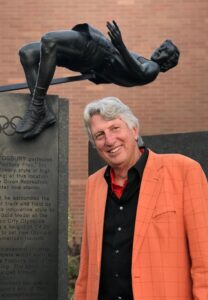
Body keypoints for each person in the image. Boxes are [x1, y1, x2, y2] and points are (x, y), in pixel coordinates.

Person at [74, 97, 208, 300]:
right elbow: (86, 269)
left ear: (134, 130)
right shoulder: (94, 184)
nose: (110, 140)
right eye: (100, 135)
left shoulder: (184, 172)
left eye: (115, 128)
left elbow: (205, 261)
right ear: (95, 144)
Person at [16, 21, 180, 138]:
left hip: (96, 51)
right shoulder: (144, 62)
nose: (160, 49)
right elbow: (123, 72)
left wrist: (120, 45)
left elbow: (141, 72)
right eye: (162, 46)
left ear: (167, 63)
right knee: (28, 53)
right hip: (90, 61)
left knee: (49, 39)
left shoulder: (153, 68)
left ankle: (37, 106)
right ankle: (43, 111)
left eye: (165, 50)